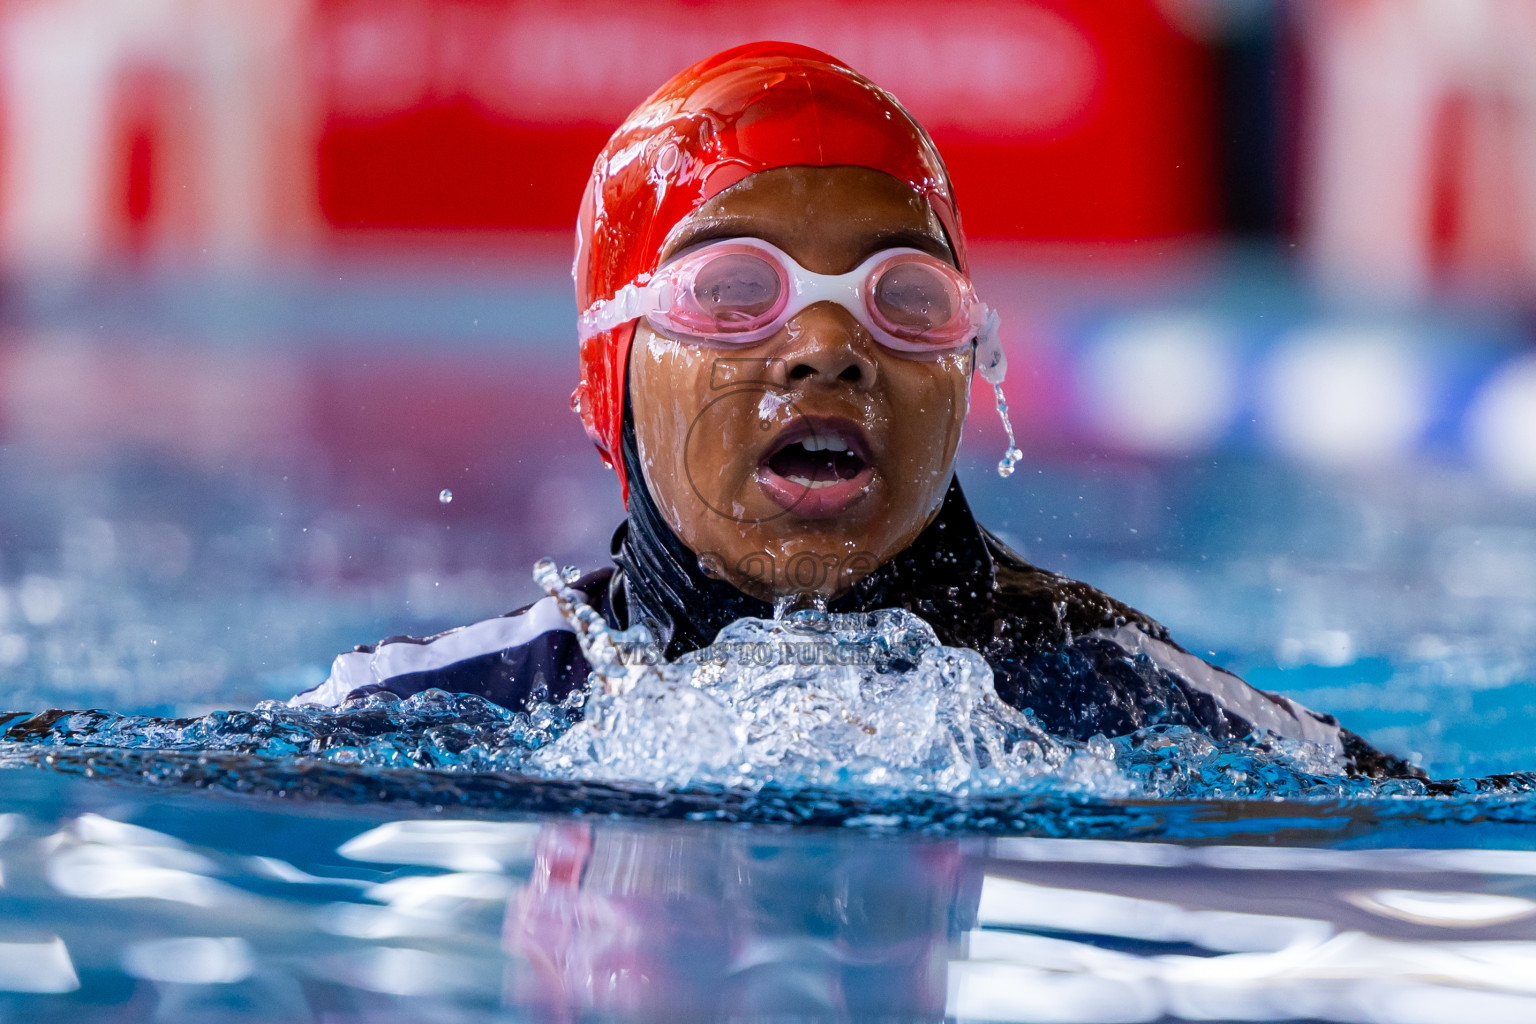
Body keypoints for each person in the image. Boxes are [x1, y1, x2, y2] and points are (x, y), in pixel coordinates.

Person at [292, 42, 1417, 779]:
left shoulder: (1116, 696)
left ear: (966, 362)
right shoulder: (453, 709)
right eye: (736, 292)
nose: (830, 349)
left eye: (904, 299)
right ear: (612, 374)